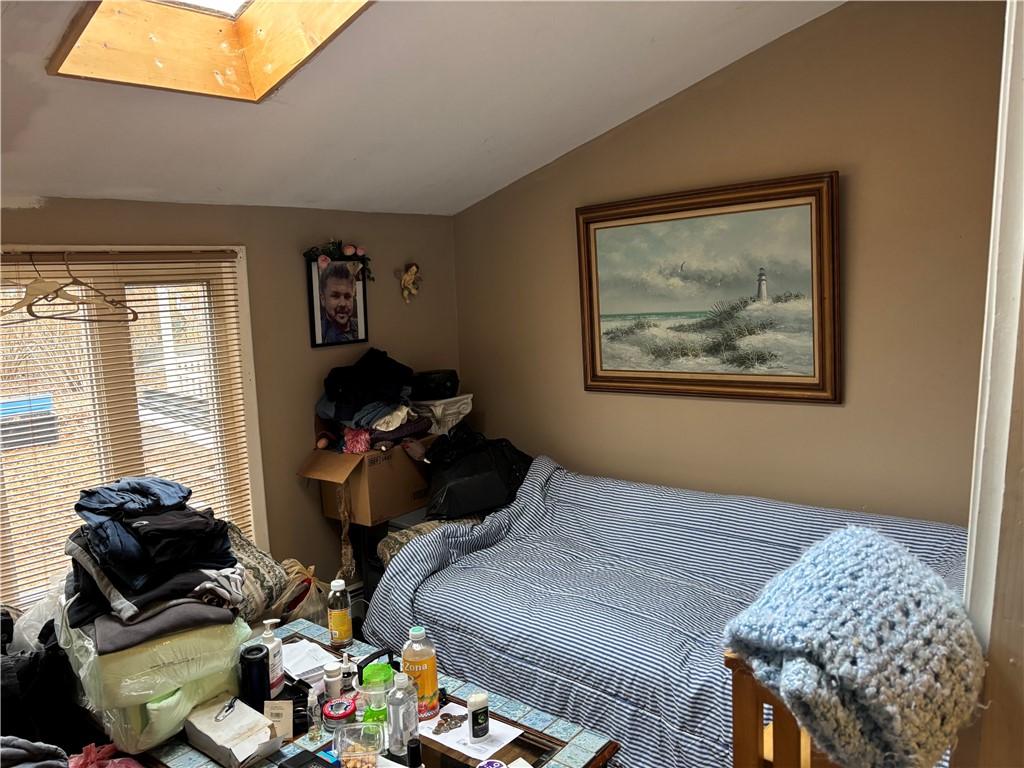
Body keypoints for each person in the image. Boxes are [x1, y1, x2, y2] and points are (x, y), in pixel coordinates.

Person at [319, 261, 359, 343]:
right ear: (323, 299)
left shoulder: (359, 326)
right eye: (335, 296)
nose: (343, 304)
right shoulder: (321, 334)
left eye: (347, 296)